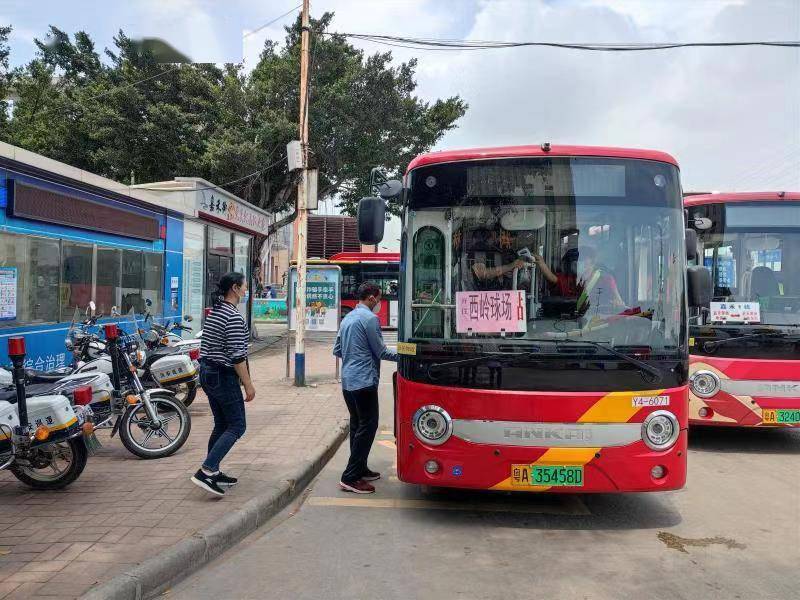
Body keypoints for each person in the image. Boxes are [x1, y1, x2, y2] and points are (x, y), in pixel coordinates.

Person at [191, 272, 256, 497]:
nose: (246, 291)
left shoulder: (216, 312)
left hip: (208, 373)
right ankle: (206, 470)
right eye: (245, 287)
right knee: (237, 426)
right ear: (235, 288)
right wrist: (248, 385)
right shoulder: (233, 317)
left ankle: (213, 471)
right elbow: (238, 356)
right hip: (223, 375)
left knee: (221, 424)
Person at [333, 282, 398, 494]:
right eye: (378, 299)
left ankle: (359, 468)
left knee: (357, 426)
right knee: (368, 427)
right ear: (371, 298)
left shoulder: (348, 317)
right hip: (364, 382)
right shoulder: (370, 319)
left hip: (348, 381)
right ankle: (350, 477)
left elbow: (337, 349)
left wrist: (355, 358)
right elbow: (381, 351)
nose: (379, 303)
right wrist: (407, 355)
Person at [533, 246, 624, 312]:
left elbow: (619, 302)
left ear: (593, 262)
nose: (580, 262)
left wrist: (617, 302)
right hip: (574, 322)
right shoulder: (572, 280)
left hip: (599, 321)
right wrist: (541, 264)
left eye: (584, 259)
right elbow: (553, 279)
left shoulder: (606, 279)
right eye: (579, 260)